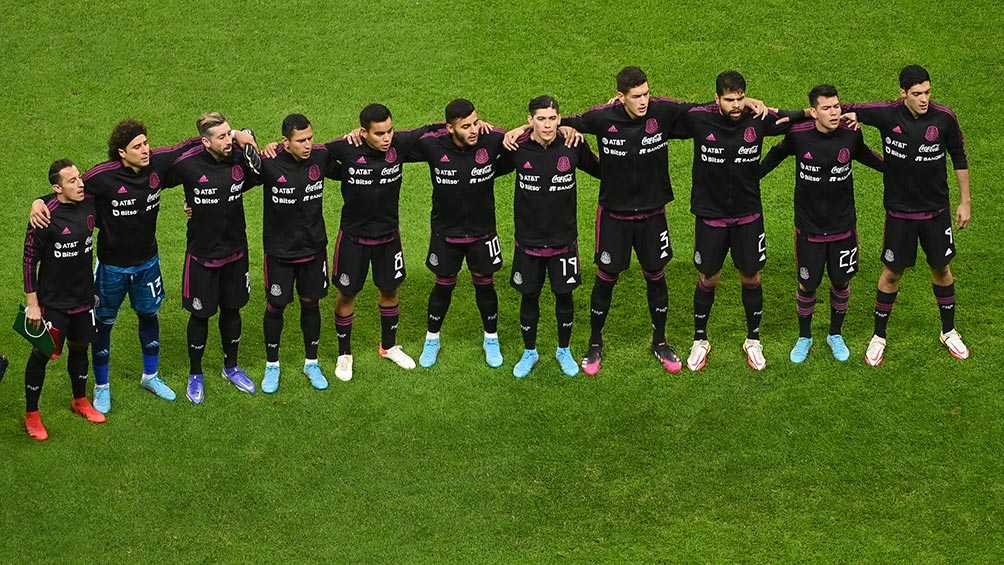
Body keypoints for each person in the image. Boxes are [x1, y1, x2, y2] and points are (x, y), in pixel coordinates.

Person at [27, 121, 236, 412]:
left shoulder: (157, 165)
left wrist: (235, 135)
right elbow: (69, 191)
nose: (145, 149)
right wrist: (40, 201)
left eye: (146, 143)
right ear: (122, 153)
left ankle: (150, 376)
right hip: (112, 267)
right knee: (103, 325)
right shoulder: (102, 176)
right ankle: (102, 387)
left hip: (148, 263)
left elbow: (187, 146)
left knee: (149, 316)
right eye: (137, 146)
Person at [674, 70, 806, 371]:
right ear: (717, 98)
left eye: (740, 99)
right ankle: (700, 340)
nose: (736, 105)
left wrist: (814, 112)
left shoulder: (758, 119)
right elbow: (660, 113)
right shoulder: (699, 118)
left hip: (748, 215)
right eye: (729, 100)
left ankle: (753, 340)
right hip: (710, 215)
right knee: (709, 277)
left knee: (752, 276)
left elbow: (792, 118)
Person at [841, 65, 972, 365]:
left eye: (927, 92)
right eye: (916, 94)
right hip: (899, 214)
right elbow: (839, 107)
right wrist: (851, 117)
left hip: (935, 212)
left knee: (941, 269)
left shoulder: (944, 118)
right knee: (891, 273)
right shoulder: (887, 114)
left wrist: (965, 201)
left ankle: (949, 331)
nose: (924, 99)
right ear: (903, 94)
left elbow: (959, 157)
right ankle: (879, 336)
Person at [759, 84, 883, 363]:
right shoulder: (798, 134)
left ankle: (834, 334)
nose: (834, 112)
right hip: (809, 226)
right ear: (813, 112)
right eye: (826, 108)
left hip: (843, 225)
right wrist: (752, 177)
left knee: (841, 282)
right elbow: (777, 154)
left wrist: (893, 169)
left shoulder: (851, 134)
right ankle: (804, 337)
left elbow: (864, 154)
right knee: (808, 284)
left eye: (837, 106)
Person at [324, 104, 443, 380]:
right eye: (379, 134)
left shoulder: (398, 144)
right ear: (364, 132)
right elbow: (311, 152)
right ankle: (344, 354)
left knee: (390, 290)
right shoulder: (345, 148)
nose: (386, 138)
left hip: (388, 237)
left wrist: (479, 126)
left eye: (389, 131)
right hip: (353, 238)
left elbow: (432, 129)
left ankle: (388, 346)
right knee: (346, 294)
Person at [496, 95, 600, 378]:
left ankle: (563, 350)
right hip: (528, 241)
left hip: (563, 240)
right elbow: (487, 171)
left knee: (563, 295)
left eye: (553, 118)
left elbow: (601, 170)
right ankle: (529, 352)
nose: (547, 124)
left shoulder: (572, 144)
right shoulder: (517, 147)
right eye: (540, 119)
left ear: (559, 118)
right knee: (529, 297)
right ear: (530, 121)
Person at [164, 112, 259, 404]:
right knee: (200, 315)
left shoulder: (239, 157)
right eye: (222, 136)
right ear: (205, 142)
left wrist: (245, 136)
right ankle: (196, 374)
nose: (228, 140)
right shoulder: (186, 164)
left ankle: (231, 367)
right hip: (201, 256)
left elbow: (261, 171)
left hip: (235, 252)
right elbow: (149, 178)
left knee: (232, 311)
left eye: (229, 133)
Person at [408, 99, 508, 369]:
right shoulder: (432, 144)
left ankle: (491, 338)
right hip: (445, 233)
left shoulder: (493, 138)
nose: (474, 129)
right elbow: (396, 141)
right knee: (443, 285)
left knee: (485, 284)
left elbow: (528, 135)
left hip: (482, 232)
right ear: (450, 128)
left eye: (475, 122)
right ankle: (432, 339)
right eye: (466, 126)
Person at [22, 159, 105, 440]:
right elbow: (28, 262)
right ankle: (32, 414)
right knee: (42, 354)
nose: (80, 184)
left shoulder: (89, 203)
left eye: (79, 178)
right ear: (57, 188)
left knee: (81, 348)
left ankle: (80, 400)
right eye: (72, 181)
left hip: (83, 298)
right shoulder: (44, 216)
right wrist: (33, 304)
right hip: (52, 303)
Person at [256, 114, 333, 392]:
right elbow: (232, 179)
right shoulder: (269, 162)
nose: (308, 144)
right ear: (285, 142)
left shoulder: (321, 157)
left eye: (310, 138)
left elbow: (349, 154)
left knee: (311, 304)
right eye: (301, 140)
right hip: (279, 252)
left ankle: (311, 362)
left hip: (313, 250)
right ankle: (272, 366)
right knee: (276, 307)